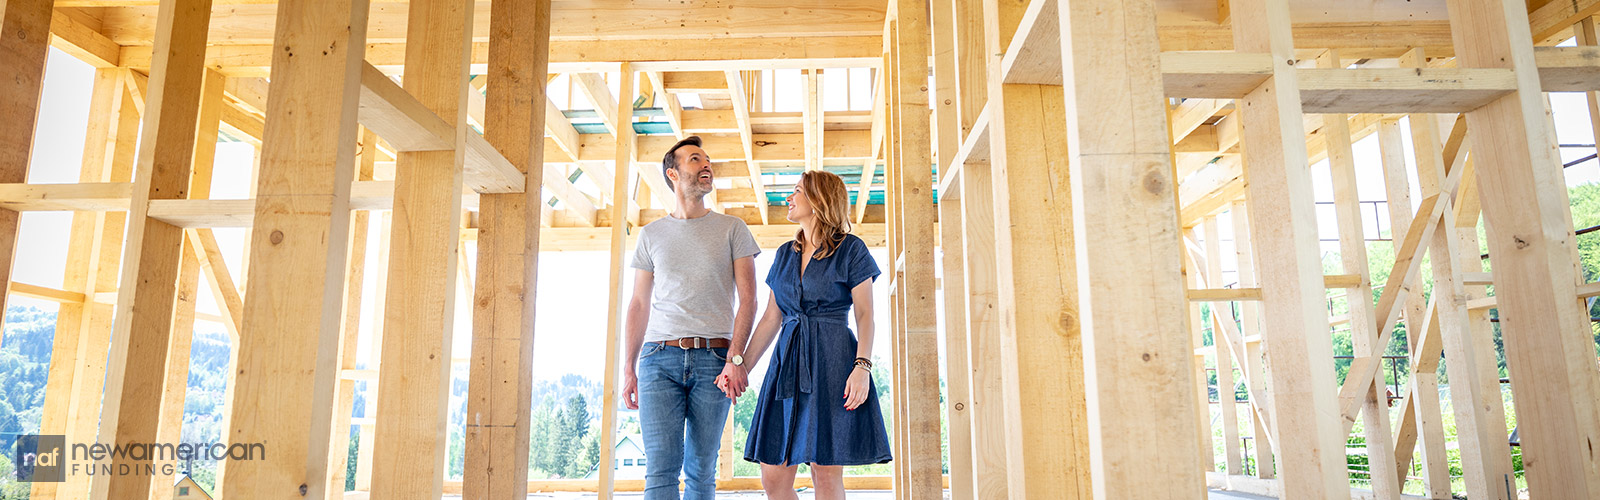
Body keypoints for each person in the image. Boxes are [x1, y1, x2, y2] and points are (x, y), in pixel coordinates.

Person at [731, 170, 893, 500]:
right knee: (773, 477)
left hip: (834, 362)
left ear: (818, 201)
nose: (787, 198)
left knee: (825, 473)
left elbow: (865, 314)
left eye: (796, 191)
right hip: (786, 364)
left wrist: (862, 367)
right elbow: (771, 318)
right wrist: (740, 366)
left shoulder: (852, 250)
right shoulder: (784, 255)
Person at [622, 136, 761, 500]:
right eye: (696, 159)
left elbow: (749, 300)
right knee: (660, 471)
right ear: (673, 173)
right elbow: (638, 303)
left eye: (708, 161)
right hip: (657, 359)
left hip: (714, 362)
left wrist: (735, 359)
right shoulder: (651, 235)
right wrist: (628, 367)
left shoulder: (733, 229)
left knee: (701, 471)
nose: (706, 166)